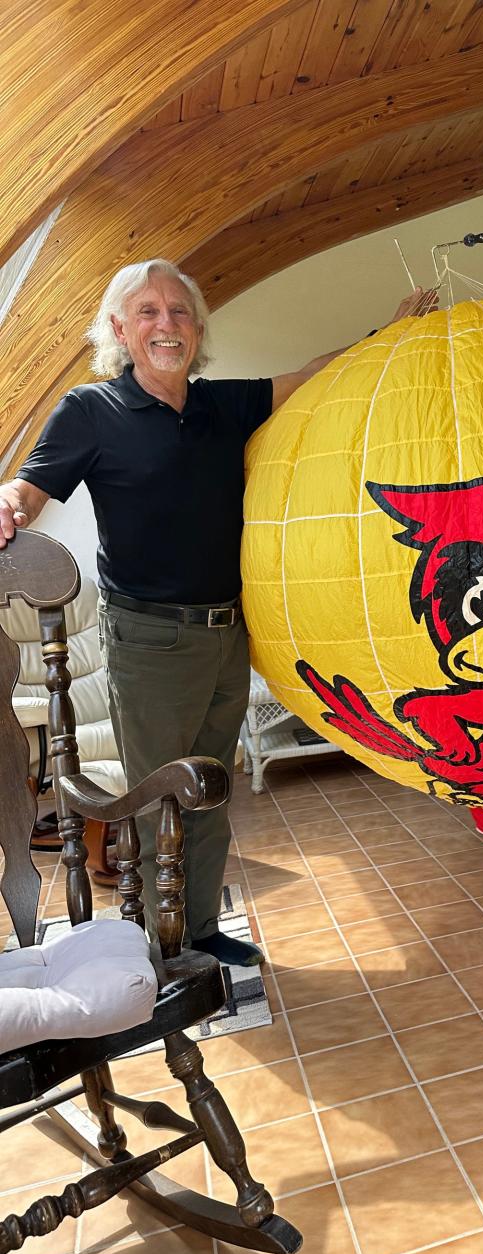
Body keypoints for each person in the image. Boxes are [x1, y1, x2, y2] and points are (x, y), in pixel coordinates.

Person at [0, 259, 435, 967]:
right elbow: (31, 488)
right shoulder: (90, 412)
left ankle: (197, 928)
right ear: (119, 329)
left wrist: (386, 331)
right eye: (147, 312)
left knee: (209, 789)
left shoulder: (221, 406)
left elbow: (312, 374)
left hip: (227, 632)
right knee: (155, 799)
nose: (166, 324)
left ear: (197, 328)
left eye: (179, 311)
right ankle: (150, 952)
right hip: (149, 640)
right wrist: (6, 505)